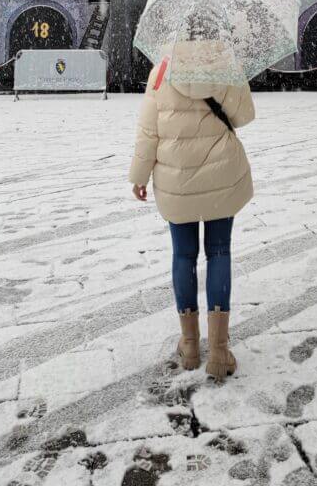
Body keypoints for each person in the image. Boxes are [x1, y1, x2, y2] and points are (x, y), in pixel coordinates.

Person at [129, 40, 255, 380]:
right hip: (220, 174)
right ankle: (217, 351)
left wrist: (139, 176)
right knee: (219, 252)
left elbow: (148, 133)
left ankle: (189, 345)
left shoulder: (160, 72)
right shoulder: (226, 66)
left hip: (176, 178)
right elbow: (245, 116)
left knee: (183, 256)